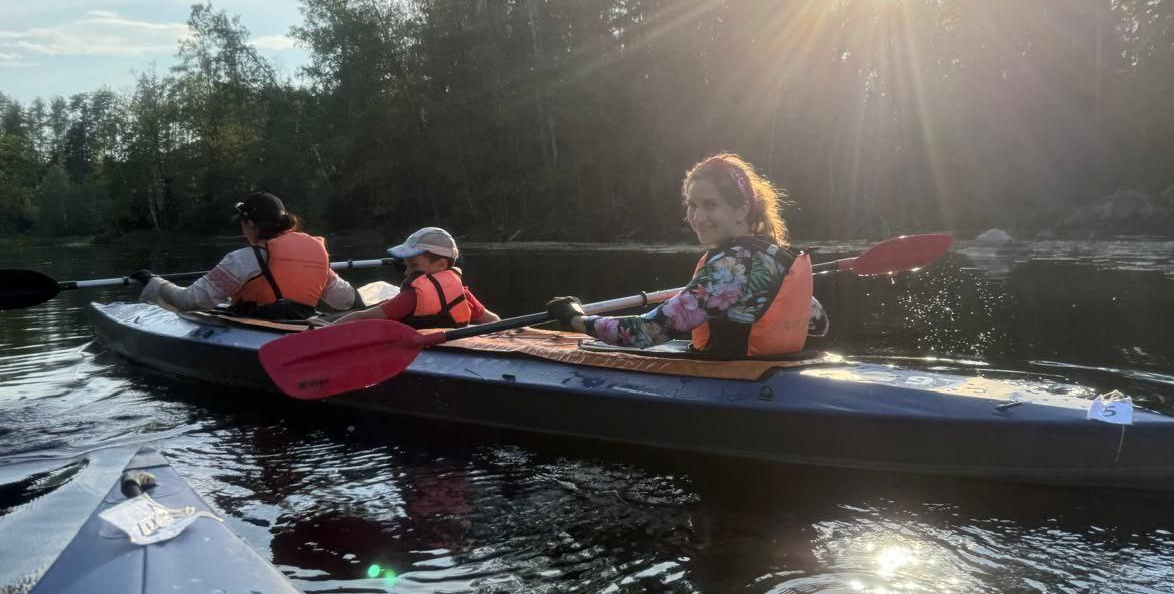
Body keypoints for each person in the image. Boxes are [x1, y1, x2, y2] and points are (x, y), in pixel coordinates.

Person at [546, 152, 827, 357]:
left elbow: (646, 332)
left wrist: (577, 320)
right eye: (692, 205)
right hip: (770, 381)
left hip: (734, 390)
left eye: (710, 205)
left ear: (742, 209)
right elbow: (819, 324)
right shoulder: (779, 258)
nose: (698, 217)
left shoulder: (729, 268)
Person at [132, 191, 355, 320]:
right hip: (302, 326)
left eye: (242, 224)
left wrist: (155, 283)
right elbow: (344, 300)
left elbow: (191, 301)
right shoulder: (316, 256)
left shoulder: (242, 260)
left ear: (251, 225)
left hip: (258, 332)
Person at [333, 227, 499, 328]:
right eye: (406, 266)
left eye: (414, 266)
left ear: (441, 264)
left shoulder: (411, 297)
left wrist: (323, 331)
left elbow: (361, 317)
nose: (407, 272)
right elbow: (493, 320)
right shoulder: (461, 294)